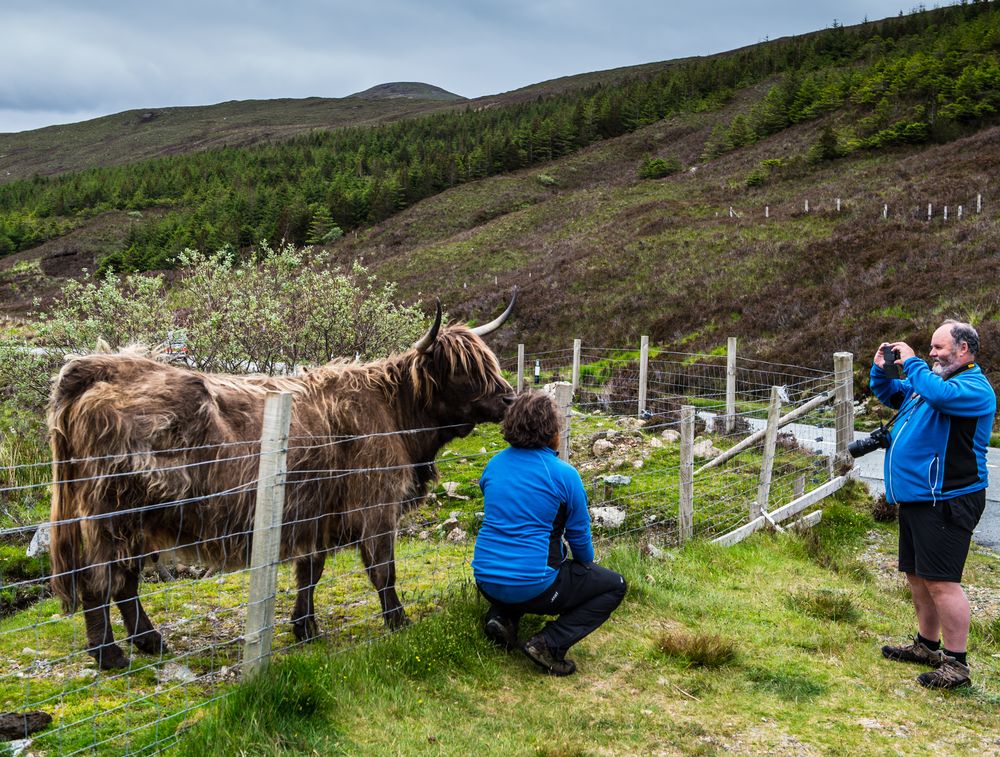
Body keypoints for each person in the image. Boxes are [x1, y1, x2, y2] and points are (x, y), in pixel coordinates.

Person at [871, 320, 996, 689]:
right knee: (918, 576)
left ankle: (957, 665)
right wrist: (882, 370)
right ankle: (927, 646)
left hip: (949, 498)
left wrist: (913, 364)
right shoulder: (929, 383)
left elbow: (938, 395)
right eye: (929, 348)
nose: (931, 353)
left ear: (963, 349)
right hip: (917, 498)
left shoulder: (974, 388)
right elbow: (894, 393)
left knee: (942, 582)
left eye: (939, 347)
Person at [471, 390, 627, 676]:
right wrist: (583, 566)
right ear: (551, 430)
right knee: (613, 585)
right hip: (534, 585)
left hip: (485, 578)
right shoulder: (564, 474)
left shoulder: (493, 465)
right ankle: (549, 643)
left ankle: (502, 617)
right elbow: (580, 542)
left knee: (522, 563)